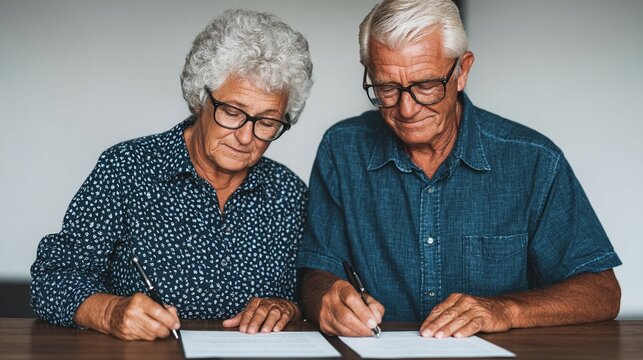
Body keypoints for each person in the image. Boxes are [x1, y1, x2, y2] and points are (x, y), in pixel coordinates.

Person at [297, 0, 621, 339]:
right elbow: (317, 269)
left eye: (425, 85)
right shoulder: (341, 149)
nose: (406, 109)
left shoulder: (533, 160)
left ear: (462, 71)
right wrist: (326, 297)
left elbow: (602, 291)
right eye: (386, 88)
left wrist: (505, 309)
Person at [31, 9, 313, 341]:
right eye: (233, 113)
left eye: (266, 122)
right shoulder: (128, 168)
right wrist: (111, 312)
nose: (246, 137)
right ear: (199, 99)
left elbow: (309, 290)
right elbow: (52, 279)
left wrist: (288, 308)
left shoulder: (289, 193)